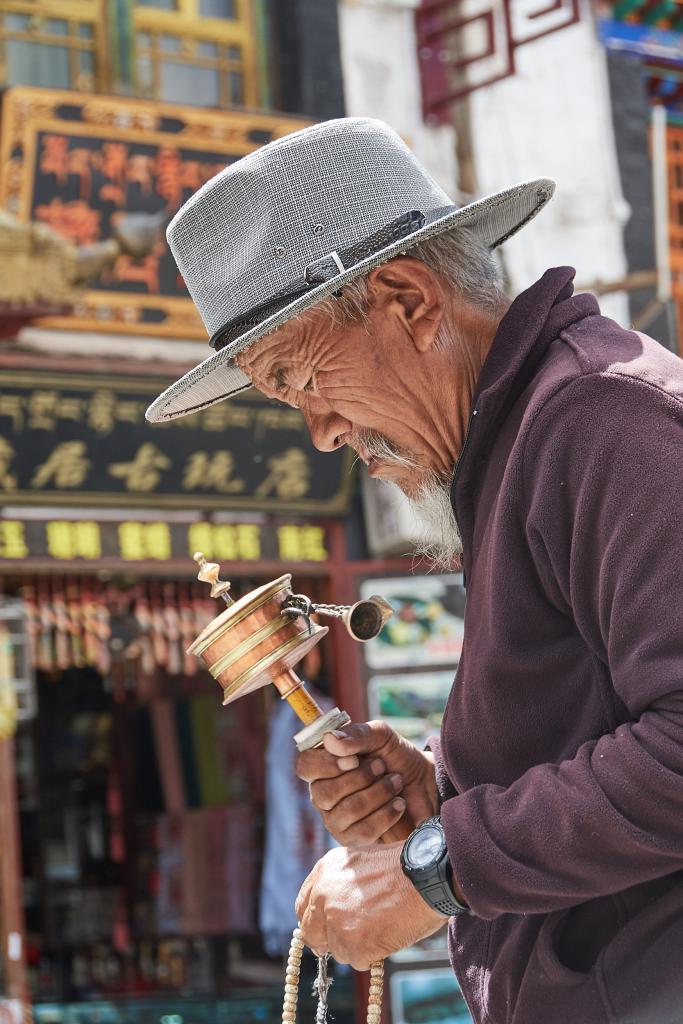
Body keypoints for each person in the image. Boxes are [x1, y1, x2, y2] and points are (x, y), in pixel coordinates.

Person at [146, 118, 683, 1024]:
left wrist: (442, 865)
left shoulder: (601, 421)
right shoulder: (520, 443)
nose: (318, 431)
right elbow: (597, 720)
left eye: (299, 376)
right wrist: (438, 785)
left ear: (408, 300)